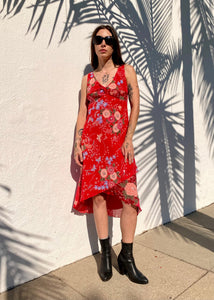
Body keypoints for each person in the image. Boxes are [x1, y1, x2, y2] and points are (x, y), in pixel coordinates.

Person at [73, 24, 148, 284]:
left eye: (108, 39)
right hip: (94, 146)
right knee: (99, 199)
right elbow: (82, 113)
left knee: (130, 199)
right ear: (93, 46)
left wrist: (128, 139)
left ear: (115, 44)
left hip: (119, 147)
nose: (103, 43)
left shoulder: (126, 71)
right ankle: (106, 253)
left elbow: (136, 104)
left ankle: (126, 256)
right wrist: (77, 144)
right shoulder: (88, 79)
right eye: (98, 40)